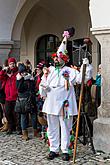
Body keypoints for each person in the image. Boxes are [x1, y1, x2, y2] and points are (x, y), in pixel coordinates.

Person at [39, 30, 93, 161]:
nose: (56, 59)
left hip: (65, 103)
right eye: (55, 57)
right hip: (51, 102)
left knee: (65, 126)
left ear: (65, 59)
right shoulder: (49, 71)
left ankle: (65, 149)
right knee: (51, 127)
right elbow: (42, 85)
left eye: (59, 57)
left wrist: (87, 65)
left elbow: (82, 78)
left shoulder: (70, 71)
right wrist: (43, 88)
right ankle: (53, 149)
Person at [16, 63, 37, 140]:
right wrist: (21, 79)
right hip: (23, 100)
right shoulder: (18, 79)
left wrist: (30, 80)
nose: (23, 73)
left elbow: (33, 87)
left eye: (24, 72)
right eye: (22, 72)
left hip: (31, 99)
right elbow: (19, 89)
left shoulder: (30, 78)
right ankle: (24, 133)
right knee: (24, 116)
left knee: (34, 115)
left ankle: (35, 131)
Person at [0, 57, 18, 134]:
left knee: (15, 113)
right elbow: (0, 77)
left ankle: (14, 127)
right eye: (10, 64)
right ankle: (11, 126)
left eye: (13, 63)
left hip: (16, 97)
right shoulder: (6, 73)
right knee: (7, 112)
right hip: (8, 97)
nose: (12, 65)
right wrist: (3, 70)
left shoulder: (17, 73)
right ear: (8, 65)